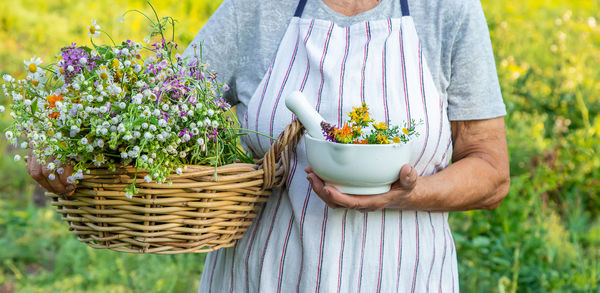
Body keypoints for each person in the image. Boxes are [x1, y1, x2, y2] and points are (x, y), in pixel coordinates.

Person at [28, 0, 510, 291]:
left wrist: (411, 194)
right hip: (262, 278)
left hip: (404, 279)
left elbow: (489, 169)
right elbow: (158, 103)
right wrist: (73, 141)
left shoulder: (448, 10)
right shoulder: (255, 7)